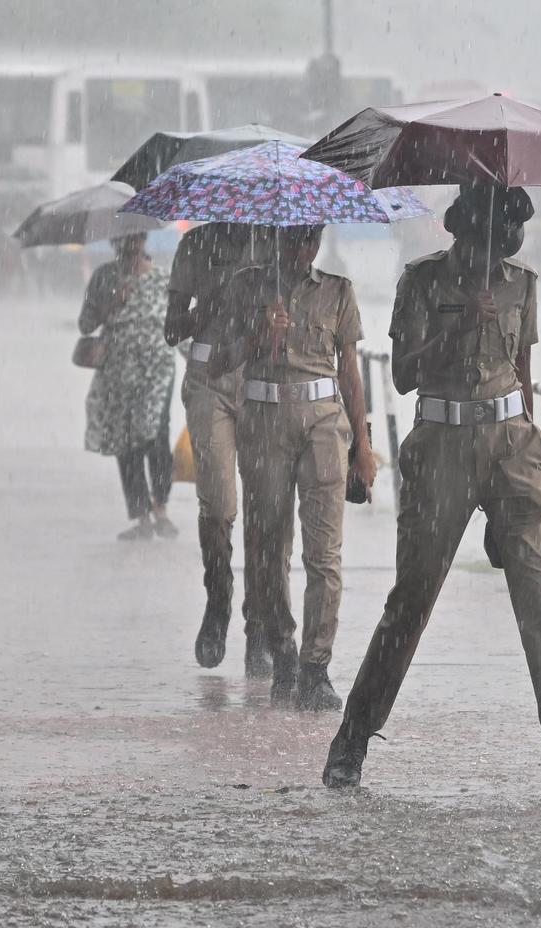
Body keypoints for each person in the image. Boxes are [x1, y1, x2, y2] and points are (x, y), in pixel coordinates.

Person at [322, 184, 541, 807]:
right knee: (411, 603)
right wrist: (458, 332)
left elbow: (522, 371)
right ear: (461, 234)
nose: (495, 257)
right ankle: (352, 741)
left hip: (514, 447)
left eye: (504, 245)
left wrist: (536, 464)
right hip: (442, 447)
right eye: (486, 243)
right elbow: (404, 374)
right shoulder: (423, 280)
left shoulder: (523, 284)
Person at [210, 225, 376, 711]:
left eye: (311, 238)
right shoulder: (245, 286)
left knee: (324, 553)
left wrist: (363, 444)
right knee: (268, 545)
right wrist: (257, 336)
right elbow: (215, 364)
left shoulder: (337, 291)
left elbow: (350, 369)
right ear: (275, 236)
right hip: (264, 422)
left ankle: (315, 666)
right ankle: (281, 648)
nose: (302, 248)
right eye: (293, 238)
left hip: (325, 427)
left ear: (320, 238)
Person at [165, 222, 271, 677]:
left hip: (264, 377)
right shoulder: (195, 244)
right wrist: (206, 306)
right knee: (220, 503)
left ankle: (261, 626)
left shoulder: (276, 239)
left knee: (266, 507)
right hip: (209, 379)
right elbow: (172, 329)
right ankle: (218, 600)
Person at [79, 232, 176, 541]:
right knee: (127, 439)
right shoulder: (104, 276)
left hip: (158, 369)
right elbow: (85, 324)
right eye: (123, 240)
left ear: (144, 239)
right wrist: (111, 301)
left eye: (136, 239)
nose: (130, 246)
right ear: (114, 243)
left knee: (157, 434)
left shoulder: (162, 278)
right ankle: (141, 516)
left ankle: (160, 508)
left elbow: (177, 323)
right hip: (119, 371)